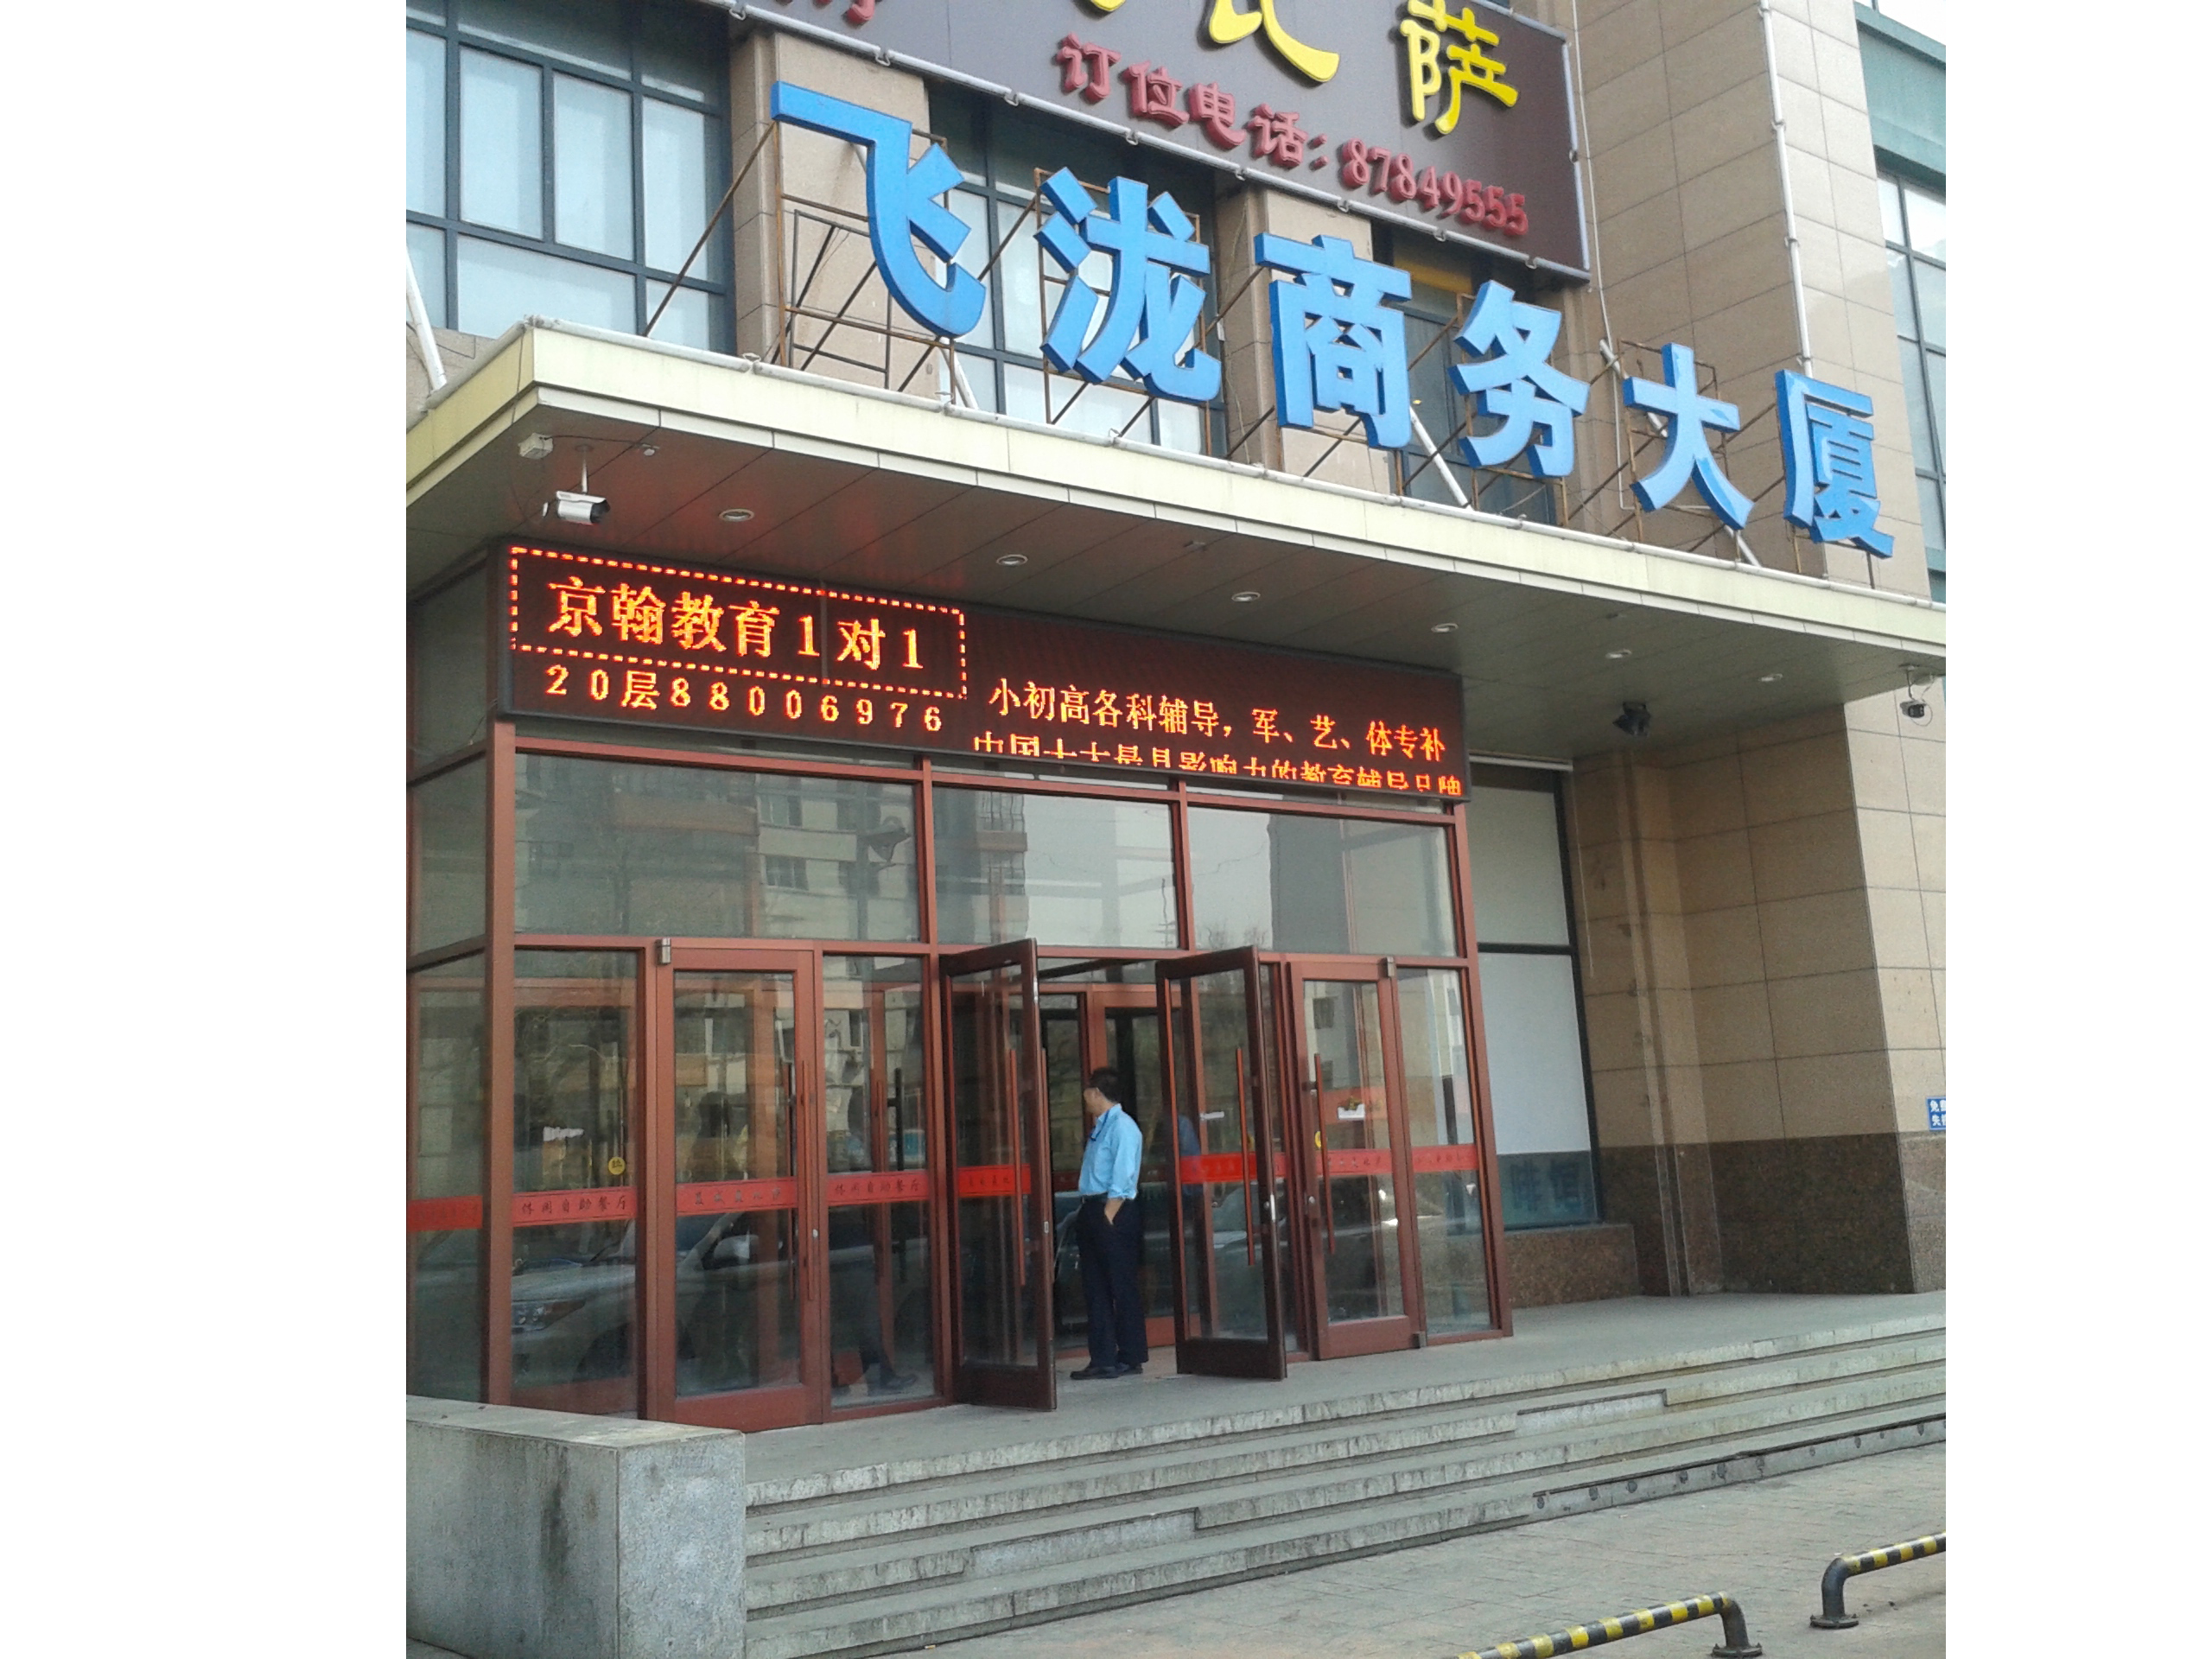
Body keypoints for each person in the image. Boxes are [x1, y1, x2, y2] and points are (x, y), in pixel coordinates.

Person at [1071, 1065, 1147, 1379]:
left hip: (1113, 1210)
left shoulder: (1123, 1127)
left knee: (1121, 1284)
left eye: (1088, 1090)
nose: (1085, 1096)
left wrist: (1108, 1216)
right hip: (1092, 1208)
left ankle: (1130, 1356)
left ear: (1097, 1093)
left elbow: (1124, 1175)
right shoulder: (1100, 1127)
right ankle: (1102, 1358)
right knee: (1095, 1287)